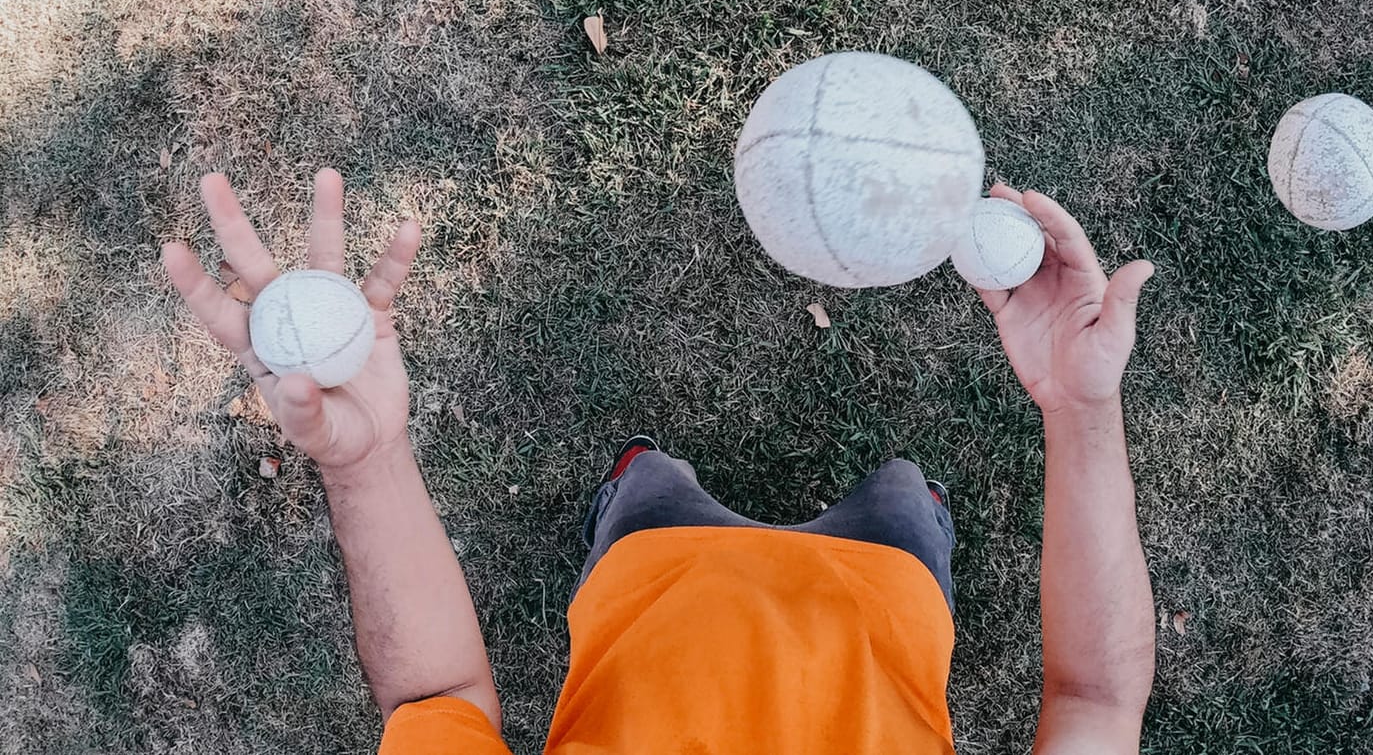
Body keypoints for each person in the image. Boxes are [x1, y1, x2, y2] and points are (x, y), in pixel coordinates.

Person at [163, 169, 1157, 754]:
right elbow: (1097, 703)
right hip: (885, 580)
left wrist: (369, 462)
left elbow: (434, 704)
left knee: (649, 482)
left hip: (657, 565)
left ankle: (640, 478)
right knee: (903, 492)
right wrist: (1079, 404)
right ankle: (909, 502)